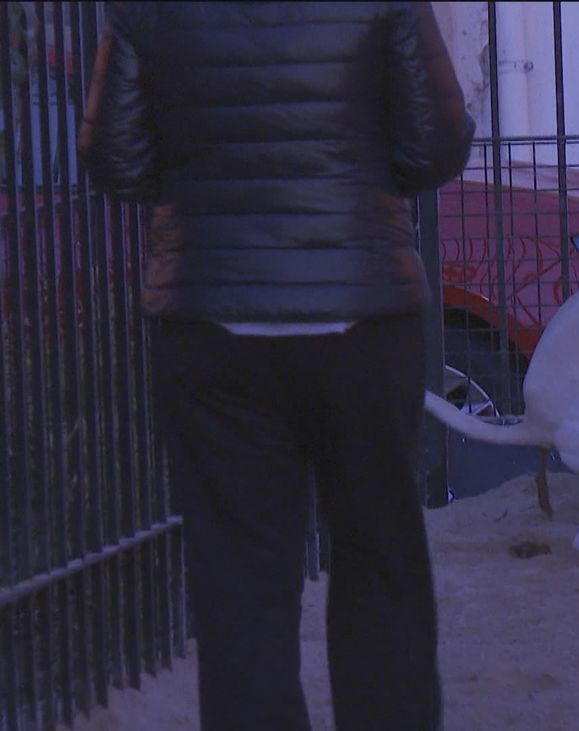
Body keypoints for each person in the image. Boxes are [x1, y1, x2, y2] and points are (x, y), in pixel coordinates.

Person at [78, 3, 474, 729]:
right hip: (359, 310)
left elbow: (117, 160)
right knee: (380, 560)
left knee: (240, 582)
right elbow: (434, 148)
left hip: (211, 314)